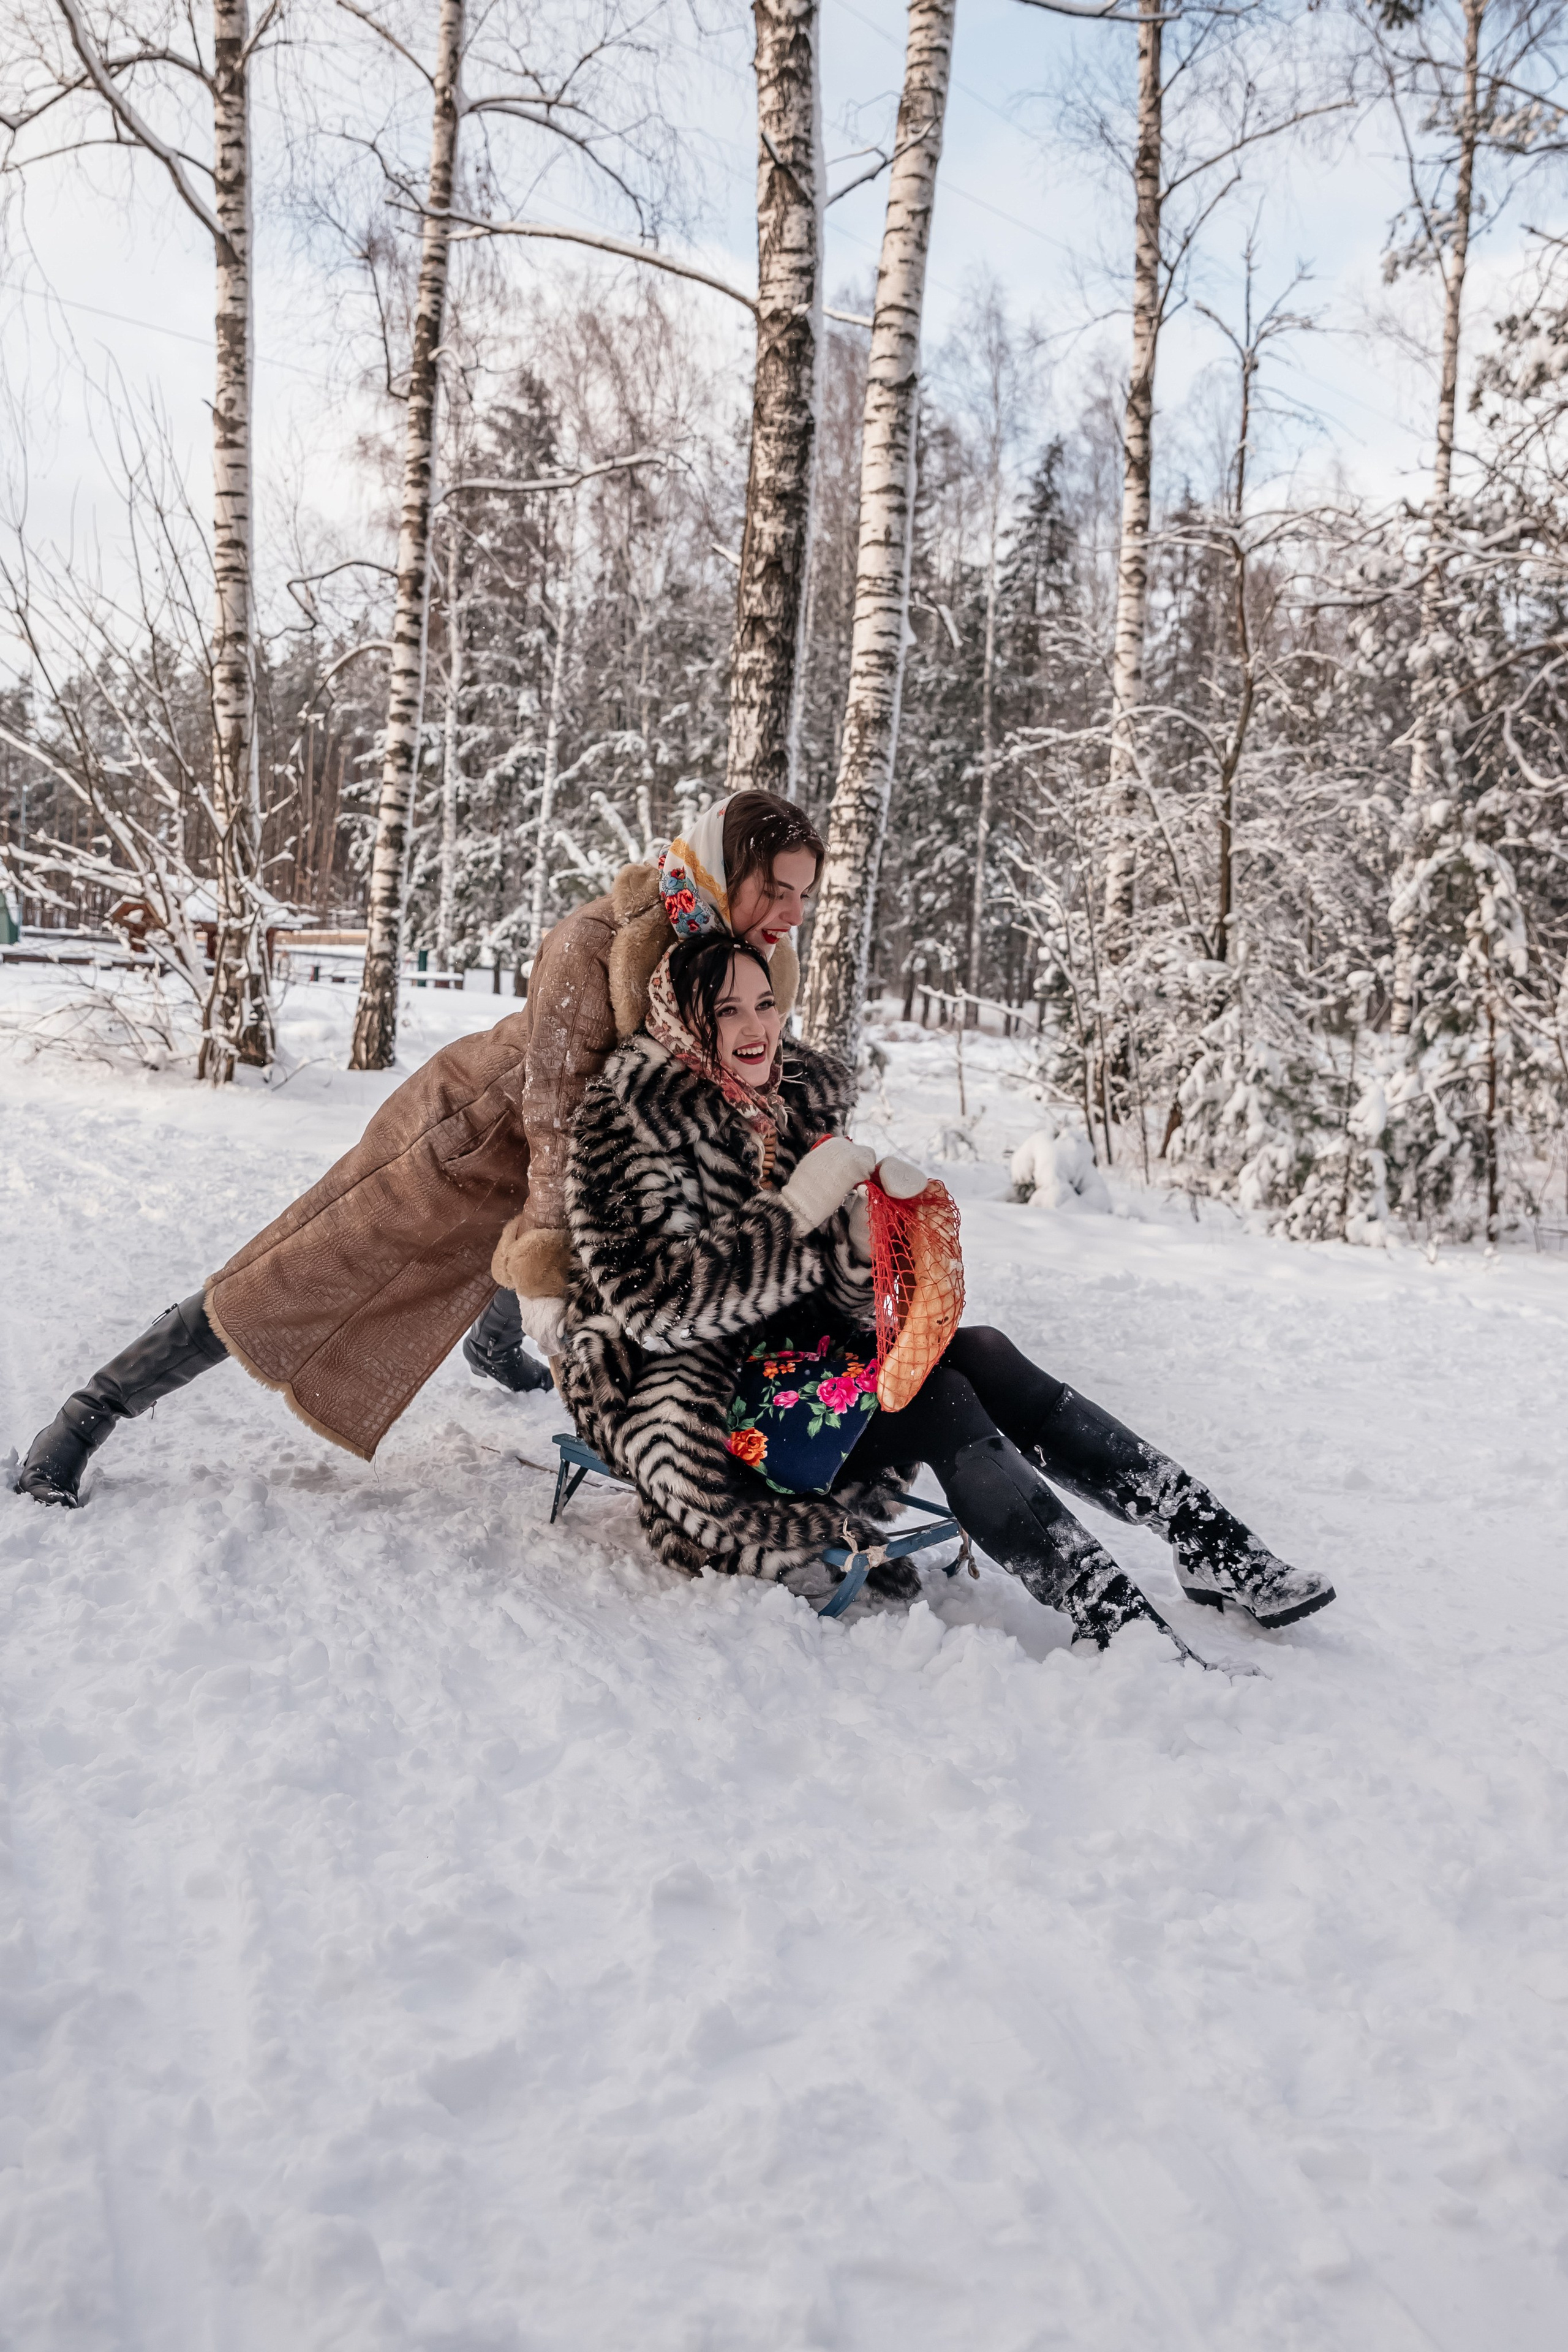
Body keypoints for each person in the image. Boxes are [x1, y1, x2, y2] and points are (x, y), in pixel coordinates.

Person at [15, 791, 825, 1506]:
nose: (789, 911)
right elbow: (554, 1112)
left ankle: (494, 1345)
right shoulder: (599, 940)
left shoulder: (751, 958)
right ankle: (88, 1416)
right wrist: (548, 1261)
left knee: (563, 1235)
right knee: (292, 1271)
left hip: (579, 1160)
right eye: (774, 888)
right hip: (474, 1134)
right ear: (724, 868)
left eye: (803, 895)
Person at [556, 930, 1336, 1646]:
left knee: (984, 1353)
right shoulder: (627, 1125)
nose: (755, 1026)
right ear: (684, 1022)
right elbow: (652, 1311)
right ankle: (1118, 1622)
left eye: (764, 1002)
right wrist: (793, 1213)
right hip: (696, 1418)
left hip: (794, 1379)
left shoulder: (784, 1110)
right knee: (938, 1401)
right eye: (726, 1011)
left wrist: (862, 1248)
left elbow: (830, 1313)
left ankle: (1214, 1546)